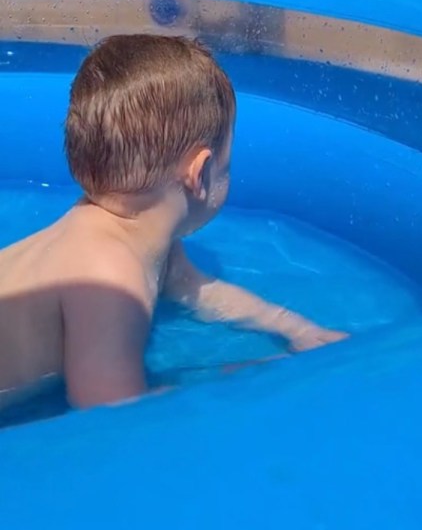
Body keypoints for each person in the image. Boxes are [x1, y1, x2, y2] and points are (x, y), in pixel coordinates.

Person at [0, 35, 347, 412]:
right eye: (227, 165)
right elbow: (110, 415)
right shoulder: (108, 275)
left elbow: (200, 292)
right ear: (200, 173)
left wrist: (296, 330)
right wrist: (252, 374)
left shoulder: (137, 236)